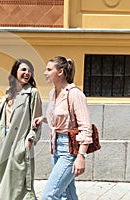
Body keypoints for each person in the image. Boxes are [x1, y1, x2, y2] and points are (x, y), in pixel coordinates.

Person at [32, 56, 93, 200]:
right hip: (56, 146)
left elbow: (86, 127)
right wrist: (44, 119)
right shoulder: (53, 93)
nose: (45, 73)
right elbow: (62, 118)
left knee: (50, 195)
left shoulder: (74, 94)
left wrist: (81, 156)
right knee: (68, 194)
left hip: (70, 149)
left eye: (49, 69)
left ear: (60, 72)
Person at [0, 58, 42, 200]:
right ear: (15, 72)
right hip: (5, 140)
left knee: (19, 182)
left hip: (20, 141)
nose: (27, 73)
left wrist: (29, 140)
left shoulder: (32, 93)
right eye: (23, 69)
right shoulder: (8, 93)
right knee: (4, 180)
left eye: (30, 71)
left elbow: (37, 120)